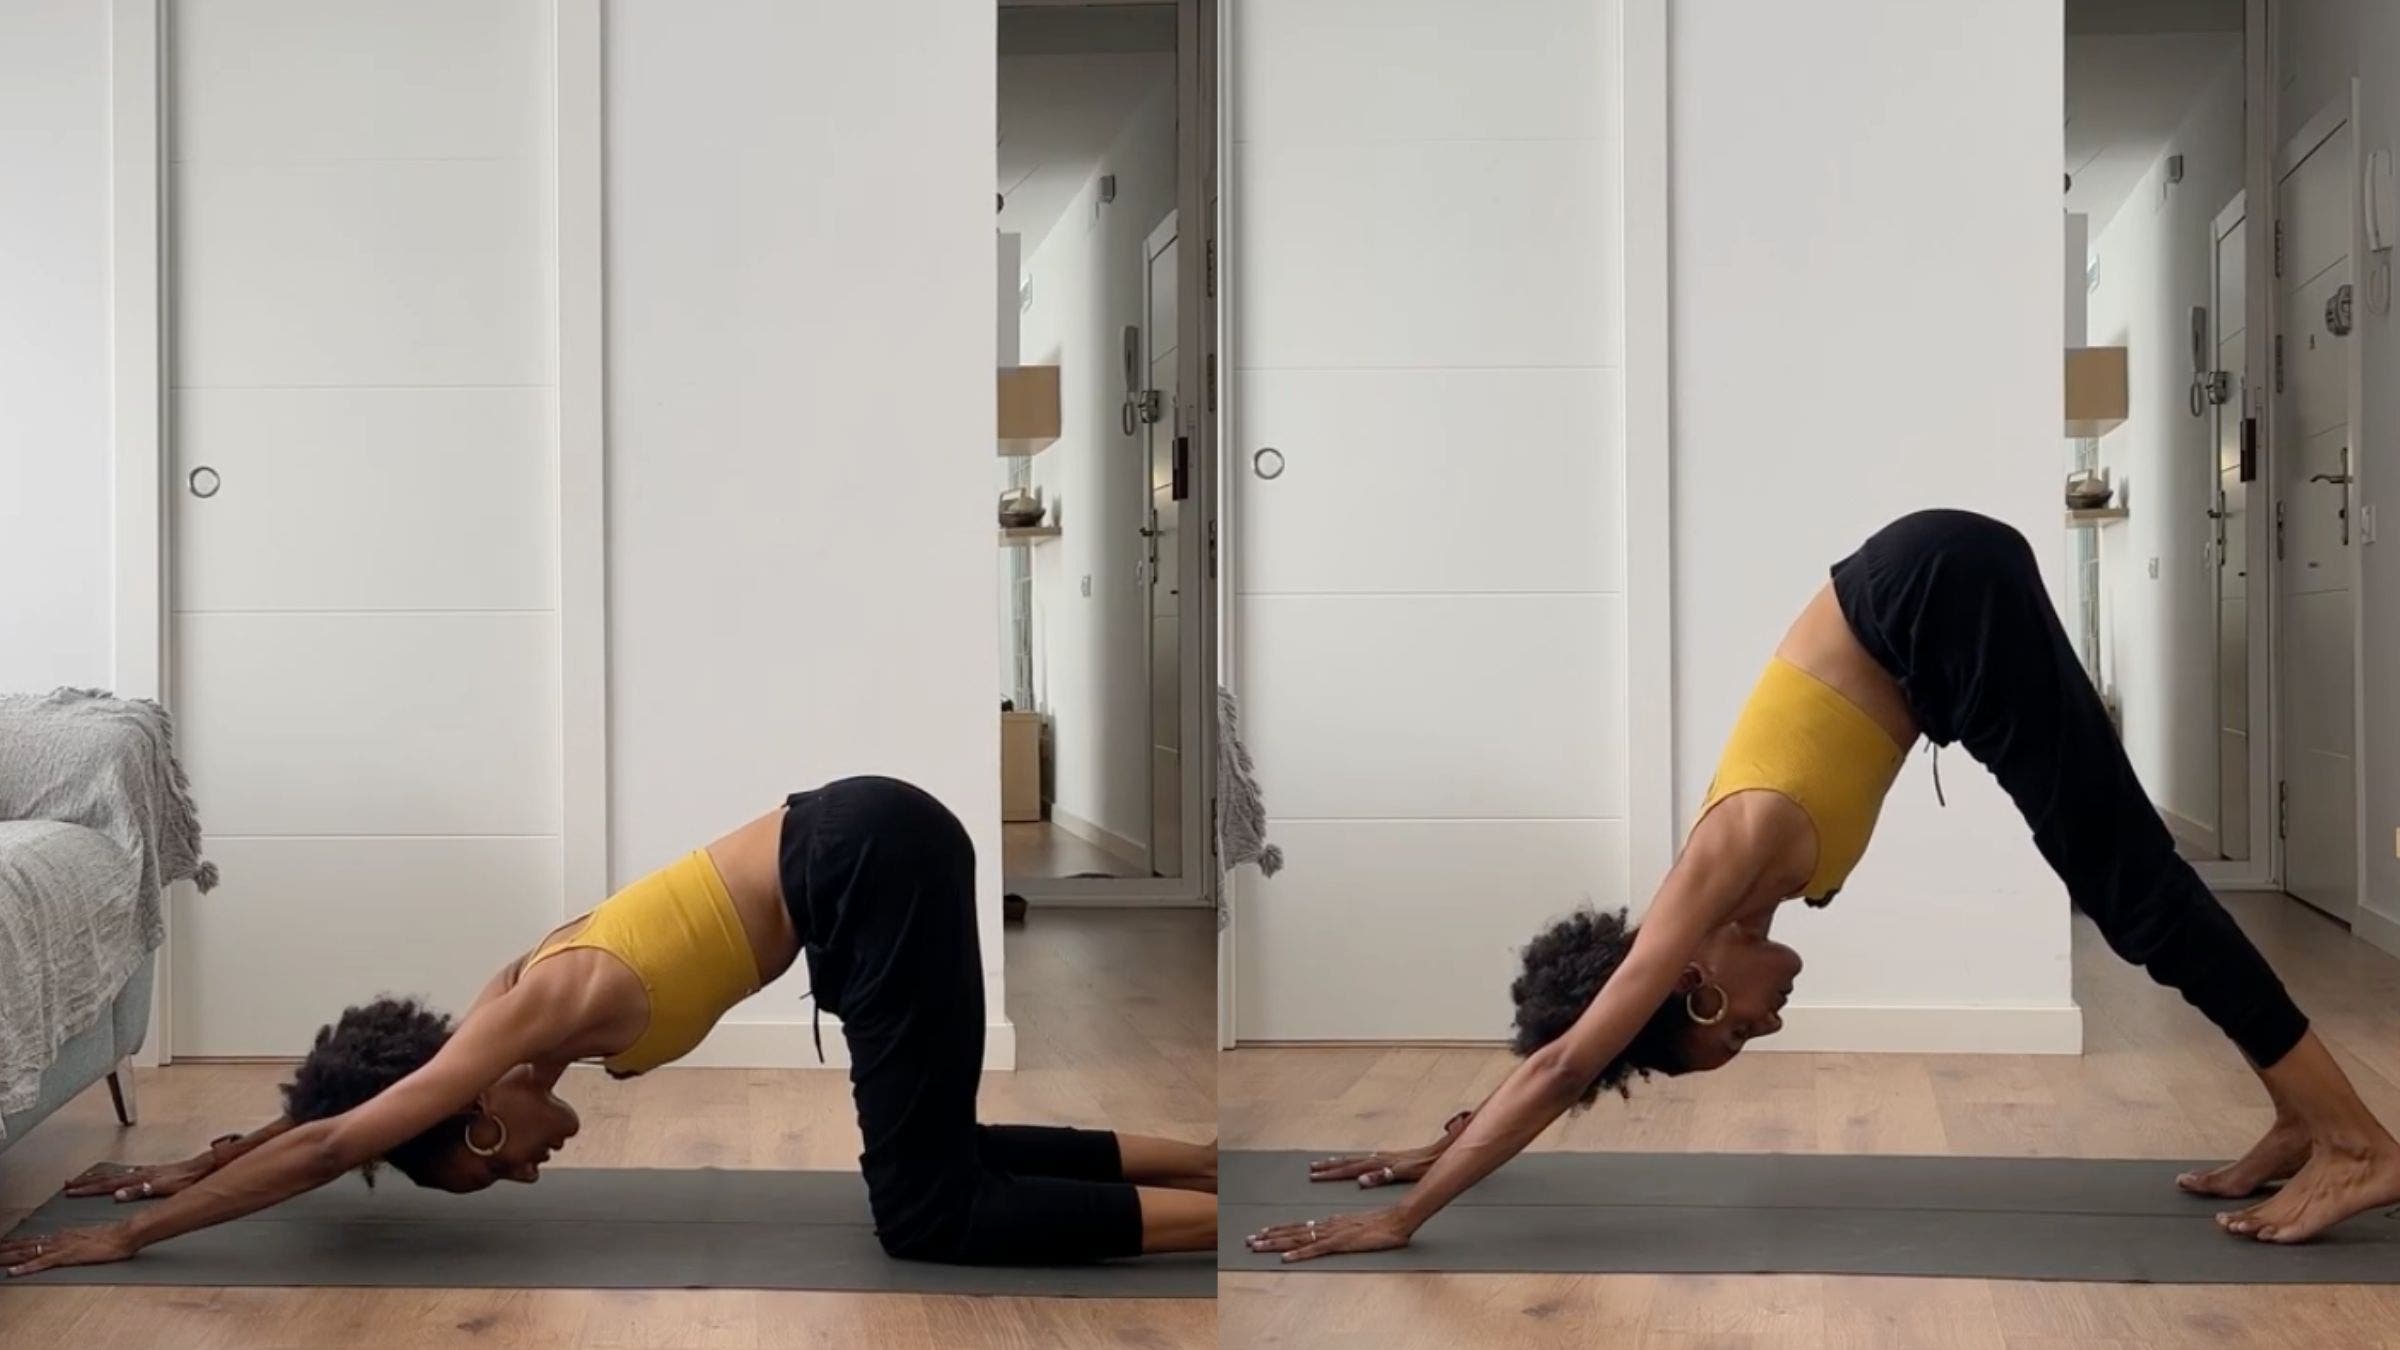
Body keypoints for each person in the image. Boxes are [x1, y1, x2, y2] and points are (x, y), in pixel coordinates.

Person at [1246, 509, 2400, 1261]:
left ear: (1694, 981)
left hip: (1936, 599)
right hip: (1929, 615)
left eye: (1733, 1032)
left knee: (2138, 896)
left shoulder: (1725, 863)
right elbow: (1576, 1055)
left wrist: (1405, 1216)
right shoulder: (1721, 906)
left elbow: (1568, 1059)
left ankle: (2357, 1142)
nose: (1765, 1025)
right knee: (2129, 894)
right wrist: (1440, 1142)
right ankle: (2302, 1117)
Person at [4, 776, 1214, 1278]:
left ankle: (1221, 1227)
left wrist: (135, 1240)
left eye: (493, 1158)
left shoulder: (535, 1012)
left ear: (474, 1104)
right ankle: (1204, 1170)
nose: (529, 1164)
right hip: (864, 853)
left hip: (864, 862)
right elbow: (336, 1127)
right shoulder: (506, 1020)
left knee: (923, 1213)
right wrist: (198, 1159)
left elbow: (333, 1148)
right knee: (939, 1154)